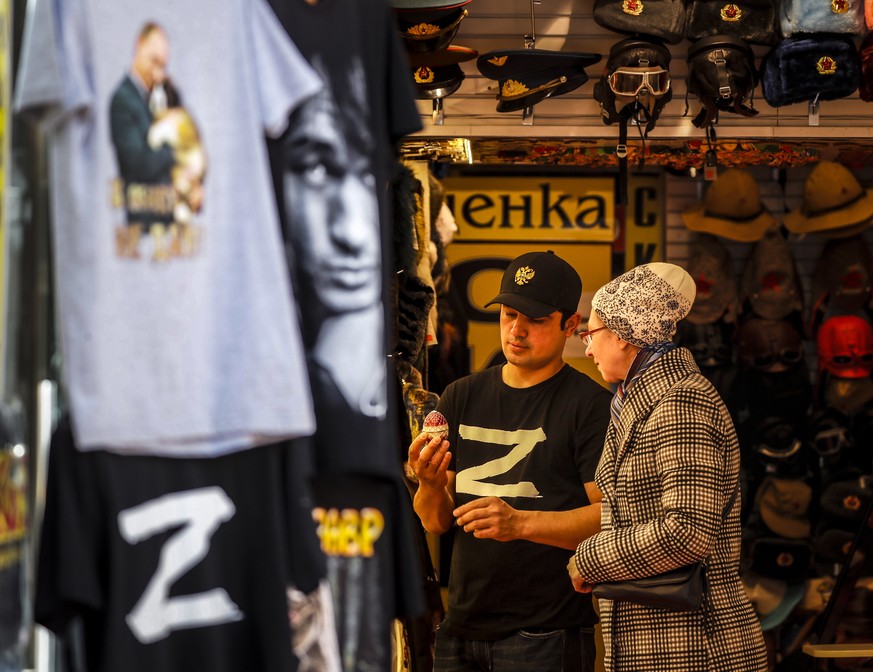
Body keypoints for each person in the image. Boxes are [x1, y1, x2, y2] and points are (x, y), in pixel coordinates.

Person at [408, 250, 612, 672]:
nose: (516, 330)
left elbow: (607, 520)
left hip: (547, 631)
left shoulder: (591, 406)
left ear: (571, 325)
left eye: (535, 319)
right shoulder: (459, 395)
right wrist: (428, 484)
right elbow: (435, 522)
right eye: (508, 314)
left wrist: (519, 524)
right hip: (460, 626)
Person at [567, 262, 768, 672]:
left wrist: (591, 557)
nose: (587, 348)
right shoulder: (639, 401)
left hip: (698, 646)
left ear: (623, 336)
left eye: (591, 334)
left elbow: (688, 532)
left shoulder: (681, 403)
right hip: (668, 641)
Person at [109, 23, 177, 241]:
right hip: (144, 224)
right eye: (154, 62)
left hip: (163, 224)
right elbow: (139, 164)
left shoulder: (150, 98)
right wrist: (172, 149)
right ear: (139, 46)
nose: (158, 73)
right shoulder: (123, 100)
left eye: (163, 66)